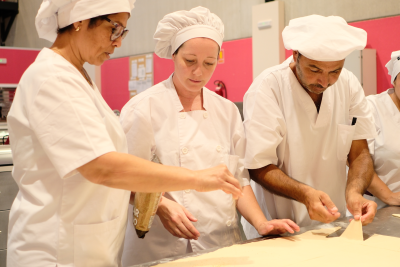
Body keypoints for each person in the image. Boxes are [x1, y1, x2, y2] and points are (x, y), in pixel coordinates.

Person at [6, 1, 243, 266]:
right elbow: (101, 167)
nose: (118, 42)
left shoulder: (78, 78)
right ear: (79, 20)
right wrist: (196, 179)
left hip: (86, 243)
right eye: (115, 29)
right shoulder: (52, 78)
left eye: (123, 32)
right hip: (56, 249)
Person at [120, 7, 299, 266]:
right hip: (162, 247)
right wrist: (160, 205)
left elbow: (238, 180)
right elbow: (123, 179)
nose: (199, 72)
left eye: (209, 63)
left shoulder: (226, 111)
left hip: (221, 243)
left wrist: (262, 224)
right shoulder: (143, 109)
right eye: (189, 61)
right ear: (173, 54)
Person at [241, 15, 378, 239]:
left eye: (335, 71)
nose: (325, 82)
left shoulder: (349, 84)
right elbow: (258, 165)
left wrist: (355, 192)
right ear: (295, 55)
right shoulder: (268, 88)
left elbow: (360, 152)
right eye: (315, 69)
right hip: (280, 230)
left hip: (333, 225)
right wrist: (305, 194)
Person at [364, 50, 400, 209]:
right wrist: (390, 196)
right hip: (377, 208)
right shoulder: (371, 108)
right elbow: (357, 161)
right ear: (394, 80)